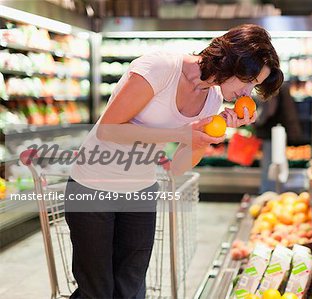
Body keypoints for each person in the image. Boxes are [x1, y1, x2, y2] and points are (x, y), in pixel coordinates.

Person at [64, 24, 283, 298]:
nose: (247, 93)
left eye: (255, 86)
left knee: (130, 287)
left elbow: (178, 167)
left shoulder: (212, 99)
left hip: (140, 189)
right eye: (249, 80)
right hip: (93, 184)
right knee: (96, 289)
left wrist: (203, 138)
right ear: (234, 59)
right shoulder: (161, 67)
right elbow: (108, 129)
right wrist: (180, 133)